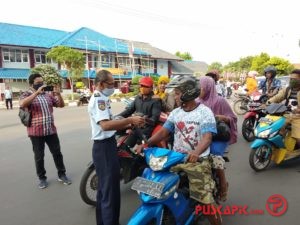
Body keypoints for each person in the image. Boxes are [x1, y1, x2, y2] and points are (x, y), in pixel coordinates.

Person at [136, 75, 222, 225]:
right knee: (155, 186)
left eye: (177, 93)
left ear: (188, 93)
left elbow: (207, 138)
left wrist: (196, 152)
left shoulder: (205, 112)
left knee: (205, 199)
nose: (174, 96)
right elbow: (164, 132)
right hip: (175, 158)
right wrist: (146, 143)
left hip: (197, 161)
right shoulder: (176, 113)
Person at [87, 70, 145, 225]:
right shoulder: (99, 99)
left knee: (105, 190)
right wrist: (129, 120)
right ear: (100, 84)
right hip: (104, 148)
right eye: (111, 83)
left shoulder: (102, 98)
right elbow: (105, 125)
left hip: (106, 145)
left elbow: (110, 121)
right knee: (110, 190)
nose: (113, 86)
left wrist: (124, 124)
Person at [19, 73, 71, 189]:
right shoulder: (26, 94)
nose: (41, 84)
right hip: (36, 132)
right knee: (39, 156)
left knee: (57, 153)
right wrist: (36, 93)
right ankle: (42, 178)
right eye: (38, 83)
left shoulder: (48, 94)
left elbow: (60, 105)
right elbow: (22, 104)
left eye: (42, 82)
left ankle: (62, 174)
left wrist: (58, 94)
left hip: (51, 130)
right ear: (31, 84)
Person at [198, 76, 238, 202]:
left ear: (209, 88)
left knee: (215, 156)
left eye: (202, 88)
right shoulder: (196, 101)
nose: (199, 91)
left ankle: (222, 184)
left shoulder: (220, 101)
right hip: (201, 135)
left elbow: (233, 118)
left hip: (218, 136)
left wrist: (223, 118)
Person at [117, 76, 162, 148]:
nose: (142, 88)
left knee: (145, 150)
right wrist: (116, 117)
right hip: (135, 127)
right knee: (125, 147)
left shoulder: (155, 100)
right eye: (141, 85)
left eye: (145, 86)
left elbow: (155, 118)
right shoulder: (138, 98)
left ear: (151, 88)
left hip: (147, 130)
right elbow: (129, 110)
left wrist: (144, 120)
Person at [267, 69, 300, 147]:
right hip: (286, 115)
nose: (292, 81)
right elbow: (278, 97)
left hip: (298, 117)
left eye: (294, 79)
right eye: (291, 79)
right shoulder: (287, 89)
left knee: (298, 139)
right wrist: (267, 103)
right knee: (274, 130)